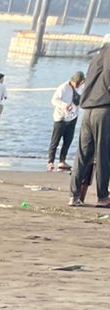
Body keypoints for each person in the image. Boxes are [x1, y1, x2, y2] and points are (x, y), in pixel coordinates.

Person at [71, 37, 110, 206]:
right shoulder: (109, 53)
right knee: (103, 154)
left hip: (88, 110)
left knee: (83, 154)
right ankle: (102, 196)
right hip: (103, 109)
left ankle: (74, 195)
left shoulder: (95, 58)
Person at [48, 70, 84, 171]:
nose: (79, 85)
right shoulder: (63, 87)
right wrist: (64, 105)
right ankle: (50, 162)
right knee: (55, 139)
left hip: (73, 117)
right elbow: (54, 100)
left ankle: (62, 160)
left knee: (68, 140)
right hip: (61, 117)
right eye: (78, 82)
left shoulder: (81, 88)